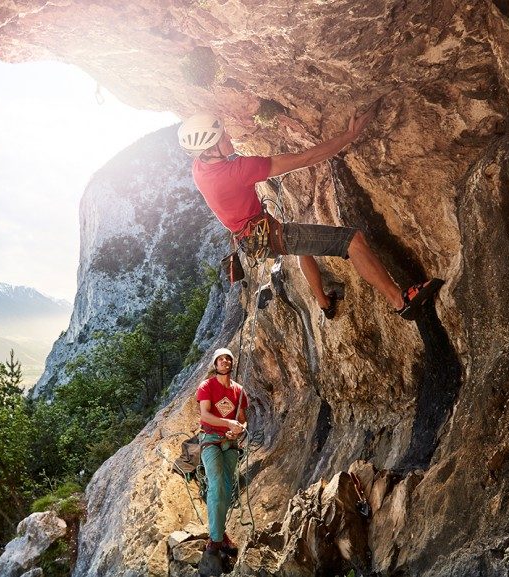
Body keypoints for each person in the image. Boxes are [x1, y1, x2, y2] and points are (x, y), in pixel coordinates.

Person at [178, 108, 443, 320]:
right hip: (270, 236)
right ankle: (400, 301)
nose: (230, 138)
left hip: (251, 242)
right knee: (352, 241)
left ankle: (324, 302)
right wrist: (349, 135)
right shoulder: (239, 170)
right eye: (223, 137)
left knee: (302, 248)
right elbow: (305, 158)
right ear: (211, 149)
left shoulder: (199, 168)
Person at [196, 347, 248, 557]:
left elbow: (242, 418)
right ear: (215, 364)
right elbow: (205, 415)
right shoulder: (206, 386)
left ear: (232, 364)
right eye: (221, 359)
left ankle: (220, 533)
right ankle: (215, 540)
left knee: (227, 489)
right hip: (210, 440)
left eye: (228, 359)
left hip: (230, 443)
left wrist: (239, 430)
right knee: (216, 485)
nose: (225, 362)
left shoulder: (239, 390)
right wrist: (227, 422)